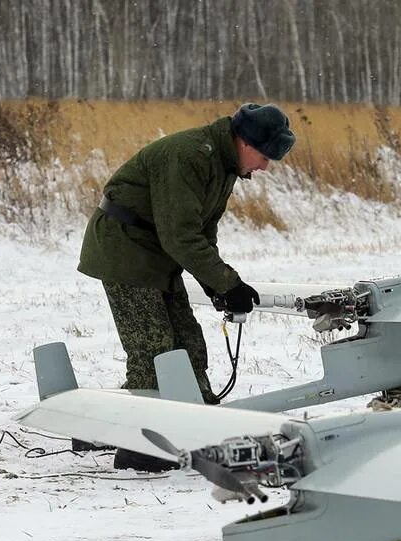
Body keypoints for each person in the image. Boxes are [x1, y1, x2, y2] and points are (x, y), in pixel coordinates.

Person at [78, 103, 296, 470]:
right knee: (154, 350)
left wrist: (218, 284)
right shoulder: (189, 156)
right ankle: (139, 446)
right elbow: (179, 236)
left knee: (188, 345)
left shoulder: (224, 166)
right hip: (125, 249)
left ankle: (196, 427)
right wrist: (226, 281)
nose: (264, 166)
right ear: (243, 141)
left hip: (156, 255)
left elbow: (201, 230)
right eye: (264, 156)